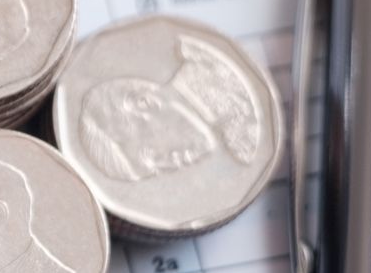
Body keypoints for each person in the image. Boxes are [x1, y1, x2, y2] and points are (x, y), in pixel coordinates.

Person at [77, 33, 262, 183]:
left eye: (152, 155)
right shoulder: (240, 138)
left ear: (144, 103)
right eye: (156, 168)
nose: (170, 166)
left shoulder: (210, 68)